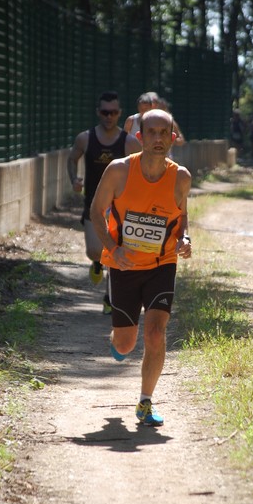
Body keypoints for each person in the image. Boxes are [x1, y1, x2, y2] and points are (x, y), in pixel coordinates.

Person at [90, 109, 192, 426]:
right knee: (126, 343)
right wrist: (112, 248)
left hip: (162, 263)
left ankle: (145, 402)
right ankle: (117, 340)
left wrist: (185, 238)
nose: (159, 138)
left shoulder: (181, 177)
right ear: (140, 136)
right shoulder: (119, 171)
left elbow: (182, 215)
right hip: (124, 264)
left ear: (173, 138)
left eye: (165, 132)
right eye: (152, 132)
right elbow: (96, 211)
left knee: (156, 332)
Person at [67, 90, 141, 314]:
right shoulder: (85, 138)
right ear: (98, 112)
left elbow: (141, 169)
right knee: (94, 251)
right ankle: (97, 262)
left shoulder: (128, 143)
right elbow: (72, 159)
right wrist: (74, 180)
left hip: (120, 206)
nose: (109, 116)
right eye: (105, 112)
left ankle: (110, 298)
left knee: (116, 250)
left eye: (114, 112)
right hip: (93, 202)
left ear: (119, 114)